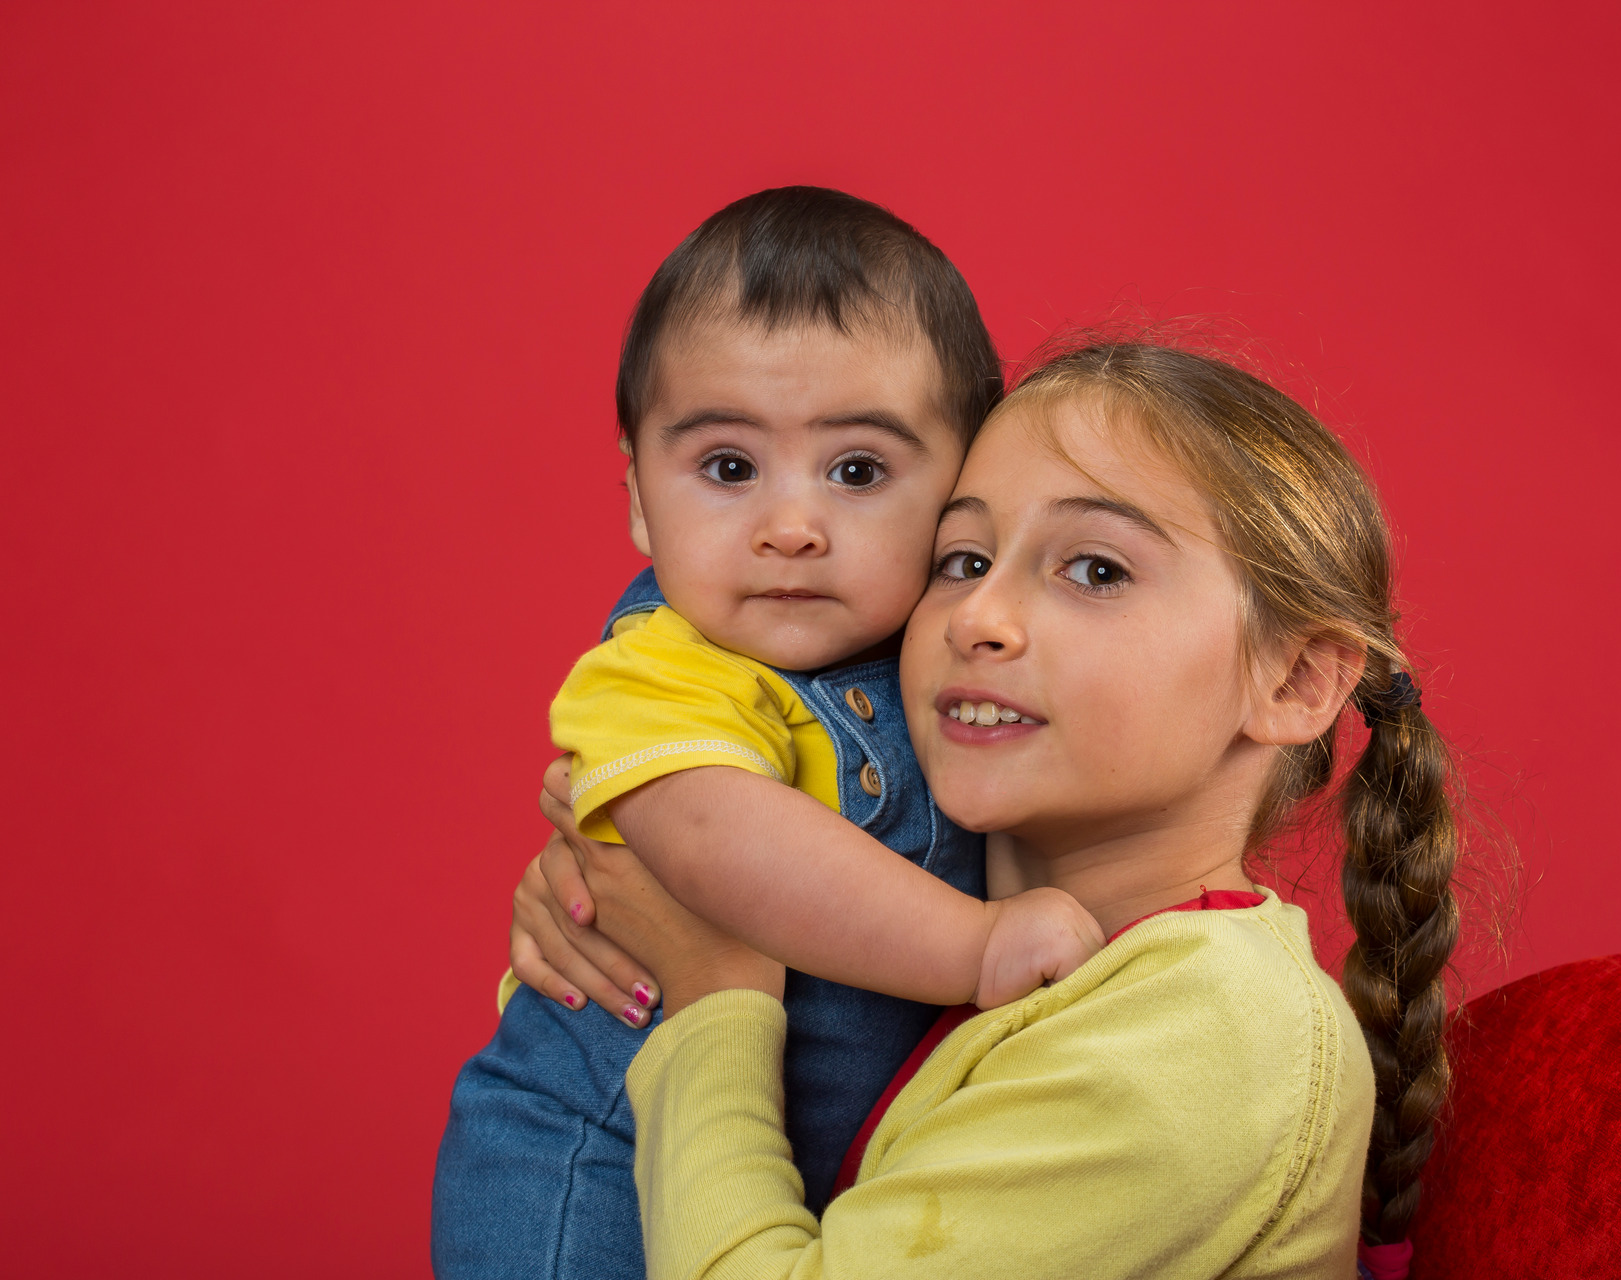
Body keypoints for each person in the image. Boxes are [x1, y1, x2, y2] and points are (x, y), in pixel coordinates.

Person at [522, 340, 1461, 1279]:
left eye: (1097, 571)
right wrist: (642, 884)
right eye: (961, 560)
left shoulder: (1215, 1034)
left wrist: (709, 981)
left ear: (1296, 680)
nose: (976, 617)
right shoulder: (920, 933)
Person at [431, 187, 1103, 1280]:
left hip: (811, 1186)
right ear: (640, 500)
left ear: (960, 489)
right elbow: (721, 838)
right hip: (596, 1164)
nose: (791, 527)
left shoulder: (969, 655)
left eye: (858, 471)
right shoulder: (659, 667)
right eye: (730, 468)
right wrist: (977, 947)